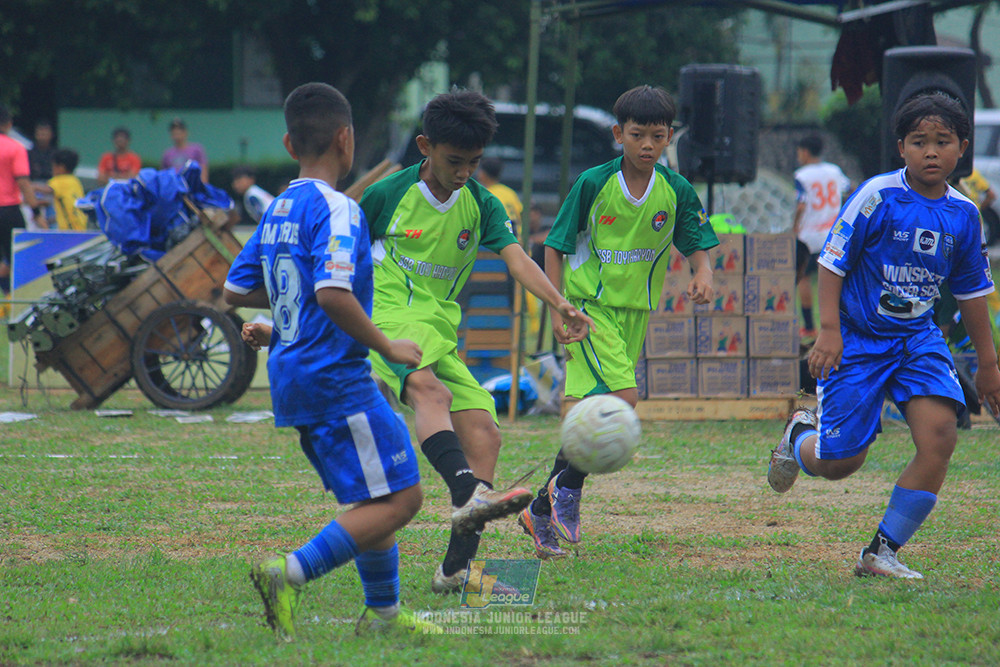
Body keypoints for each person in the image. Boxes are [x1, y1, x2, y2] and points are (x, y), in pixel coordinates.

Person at [223, 82, 439, 639]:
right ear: (346, 139)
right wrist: (388, 346)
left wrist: (284, 328)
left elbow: (233, 288)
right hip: (336, 379)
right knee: (404, 497)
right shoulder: (339, 209)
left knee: (376, 493)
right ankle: (288, 573)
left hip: (295, 372)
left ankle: (385, 615)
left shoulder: (276, 210)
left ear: (291, 141)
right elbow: (333, 294)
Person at [358, 90, 594, 592]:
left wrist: (558, 302)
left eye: (474, 162)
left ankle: (456, 571)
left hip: (438, 326)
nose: (465, 172)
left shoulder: (482, 205)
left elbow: (517, 259)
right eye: (454, 161)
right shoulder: (385, 196)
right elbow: (343, 263)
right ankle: (467, 490)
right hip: (389, 313)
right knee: (432, 394)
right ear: (424, 145)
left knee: (485, 436)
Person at [768, 92, 1000, 579]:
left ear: (962, 147)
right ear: (901, 148)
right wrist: (828, 332)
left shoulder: (963, 215)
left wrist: (989, 364)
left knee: (939, 436)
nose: (931, 152)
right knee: (840, 462)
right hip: (857, 339)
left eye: (942, 142)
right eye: (919, 142)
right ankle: (800, 434)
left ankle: (882, 550)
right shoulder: (877, 196)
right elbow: (832, 264)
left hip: (917, 338)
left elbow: (972, 291)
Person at [519, 85, 718, 558]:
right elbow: (555, 246)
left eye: (657, 135)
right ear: (618, 134)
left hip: (635, 315)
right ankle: (568, 494)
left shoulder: (675, 190)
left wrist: (704, 270)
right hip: (588, 311)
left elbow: (695, 239)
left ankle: (541, 509)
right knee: (623, 401)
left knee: (586, 412)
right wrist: (556, 308)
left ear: (670, 137)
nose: (647, 145)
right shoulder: (593, 183)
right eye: (636, 135)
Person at [792, 134, 851, 339]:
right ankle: (840, 323)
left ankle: (809, 326)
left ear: (805, 152)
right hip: (833, 234)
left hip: (809, 235)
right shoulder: (834, 171)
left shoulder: (801, 175)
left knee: (803, 278)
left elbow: (801, 204)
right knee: (835, 279)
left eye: (799, 152)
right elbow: (848, 190)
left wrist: (794, 227)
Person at [0, 104, 47, 300]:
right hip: (8, 210)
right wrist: (36, 212)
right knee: (16, 258)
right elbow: (24, 183)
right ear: (9, 123)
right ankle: (12, 299)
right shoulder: (16, 148)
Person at [34, 149, 87, 230]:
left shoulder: (59, 180)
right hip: (81, 225)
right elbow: (66, 207)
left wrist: (28, 186)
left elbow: (46, 190)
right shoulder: (75, 181)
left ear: (61, 167)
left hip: (69, 228)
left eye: (53, 166)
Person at [476, 156, 522, 231]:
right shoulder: (509, 192)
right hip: (516, 239)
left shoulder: (486, 194)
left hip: (502, 238)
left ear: (483, 173)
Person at [161, 118, 208, 183]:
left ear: (185, 132)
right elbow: (164, 176)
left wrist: (203, 186)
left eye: (179, 130)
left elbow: (203, 171)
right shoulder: (167, 154)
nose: (177, 134)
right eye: (174, 131)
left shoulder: (196, 150)